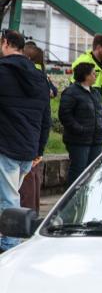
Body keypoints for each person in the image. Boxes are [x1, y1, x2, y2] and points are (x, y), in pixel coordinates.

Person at [0, 29, 52, 252]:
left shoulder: (2, 71)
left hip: (7, 146)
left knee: (9, 200)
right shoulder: (39, 76)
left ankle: (10, 244)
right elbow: (46, 116)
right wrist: (39, 149)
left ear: (5, 43)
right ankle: (9, 238)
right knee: (10, 197)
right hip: (28, 149)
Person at [19, 43, 56, 213]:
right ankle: (31, 219)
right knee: (32, 181)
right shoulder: (43, 80)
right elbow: (46, 118)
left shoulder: (19, 76)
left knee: (21, 186)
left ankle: (19, 227)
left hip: (17, 140)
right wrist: (40, 148)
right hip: (33, 140)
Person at [59, 62, 102, 186]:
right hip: (78, 141)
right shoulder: (71, 92)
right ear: (85, 75)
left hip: (96, 139)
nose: (95, 75)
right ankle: (72, 201)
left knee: (93, 172)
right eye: (93, 73)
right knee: (78, 172)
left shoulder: (95, 92)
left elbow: (101, 111)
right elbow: (65, 115)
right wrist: (80, 129)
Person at [71, 34, 102, 118]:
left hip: (101, 111)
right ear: (99, 47)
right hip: (87, 112)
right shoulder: (84, 62)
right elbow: (74, 88)